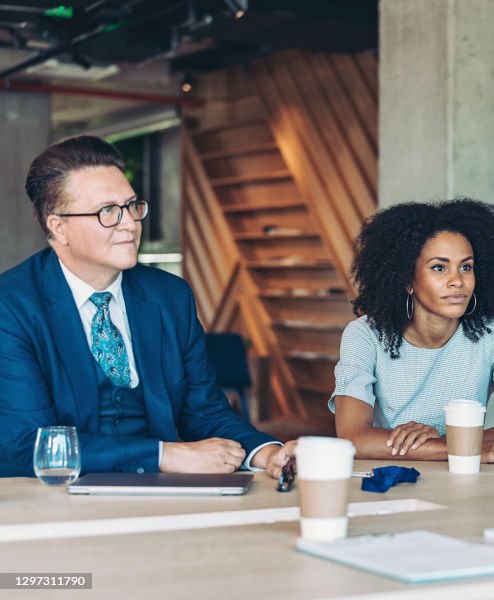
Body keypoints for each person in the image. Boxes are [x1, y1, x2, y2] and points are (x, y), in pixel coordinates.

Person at [0, 136, 294, 478]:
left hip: (162, 493)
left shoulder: (170, 296)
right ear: (59, 226)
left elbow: (206, 413)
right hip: (59, 500)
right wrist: (162, 455)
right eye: (108, 211)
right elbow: (28, 444)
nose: (130, 224)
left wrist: (269, 453)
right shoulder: (12, 305)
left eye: (131, 206)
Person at [331, 199, 494, 465]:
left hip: (465, 479)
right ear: (408, 280)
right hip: (394, 479)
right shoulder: (364, 336)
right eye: (439, 267)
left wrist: (449, 443)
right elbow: (352, 438)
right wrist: (459, 449)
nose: (457, 280)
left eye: (466, 267)